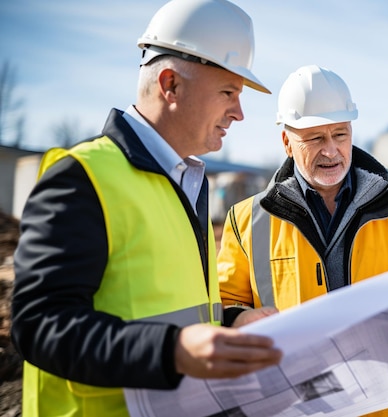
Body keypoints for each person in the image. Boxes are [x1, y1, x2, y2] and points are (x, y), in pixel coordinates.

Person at [10, 1, 282, 415]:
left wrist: (230, 323)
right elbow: (40, 325)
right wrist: (170, 351)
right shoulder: (83, 177)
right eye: (228, 92)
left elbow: (174, 303)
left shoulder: (189, 182)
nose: (239, 113)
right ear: (170, 84)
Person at [217, 64, 388, 416]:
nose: (331, 151)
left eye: (340, 134)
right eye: (315, 138)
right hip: (294, 406)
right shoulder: (246, 221)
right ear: (287, 142)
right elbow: (225, 302)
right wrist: (238, 319)